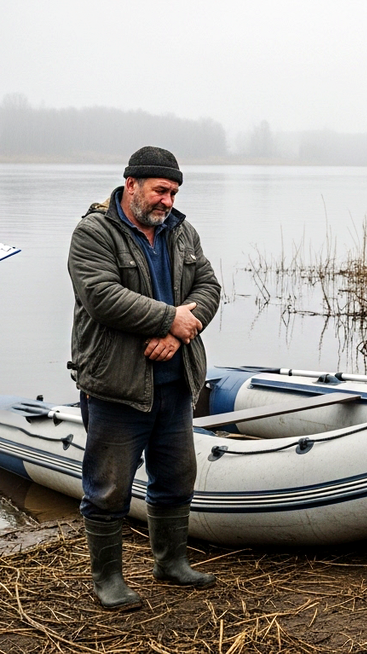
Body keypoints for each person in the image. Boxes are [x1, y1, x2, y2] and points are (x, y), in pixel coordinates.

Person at [67, 146, 222, 610]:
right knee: (108, 488)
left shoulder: (182, 231)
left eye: (173, 192)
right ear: (131, 184)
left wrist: (179, 331)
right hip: (117, 385)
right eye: (160, 190)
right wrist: (169, 319)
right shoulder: (93, 232)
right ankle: (108, 580)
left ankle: (170, 563)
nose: (167, 201)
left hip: (176, 381)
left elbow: (209, 287)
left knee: (177, 478)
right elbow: (101, 296)